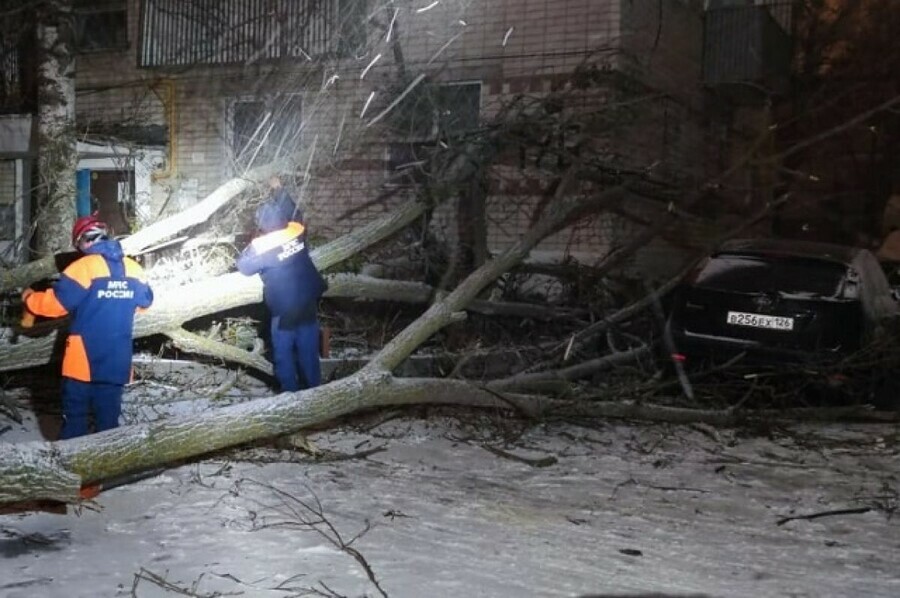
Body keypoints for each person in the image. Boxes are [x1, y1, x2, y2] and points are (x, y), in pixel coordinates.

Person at [22, 213, 154, 439]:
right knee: (108, 425)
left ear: (84, 241)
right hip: (117, 362)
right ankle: (106, 470)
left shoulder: (82, 267)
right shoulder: (133, 269)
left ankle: (74, 470)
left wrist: (29, 300)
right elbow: (144, 303)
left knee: (75, 421)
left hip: (82, 362)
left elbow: (56, 305)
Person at [237, 195, 326, 392]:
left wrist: (253, 243)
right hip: (308, 302)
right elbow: (295, 213)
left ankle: (290, 395)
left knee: (283, 355)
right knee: (308, 352)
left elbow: (243, 266)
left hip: (284, 310)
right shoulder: (297, 232)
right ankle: (314, 392)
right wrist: (281, 191)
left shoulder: (262, 246)